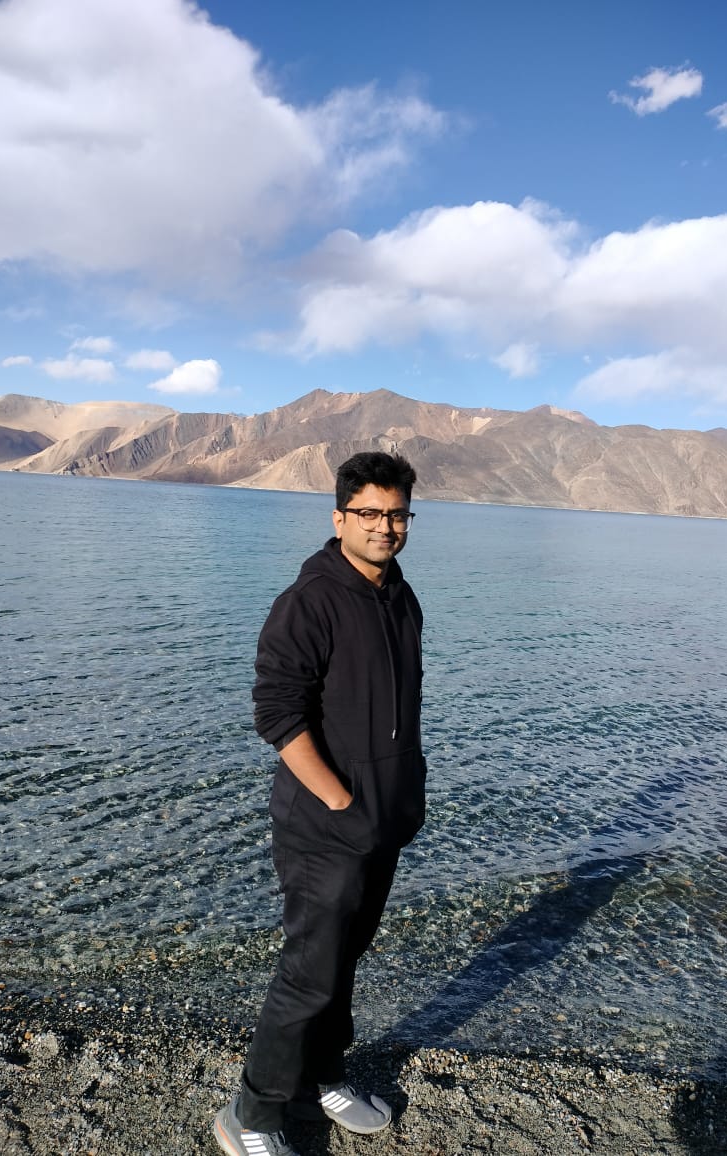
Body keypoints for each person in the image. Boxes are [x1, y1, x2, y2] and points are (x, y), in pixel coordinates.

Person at [214, 452, 427, 1156]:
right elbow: (277, 713)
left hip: (382, 822)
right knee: (309, 973)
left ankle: (321, 1077)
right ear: (339, 518)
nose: (384, 527)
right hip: (323, 826)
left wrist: (403, 794)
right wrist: (339, 800)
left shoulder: (401, 598)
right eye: (368, 513)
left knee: (343, 960)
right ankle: (252, 1114)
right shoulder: (308, 601)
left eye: (396, 514)